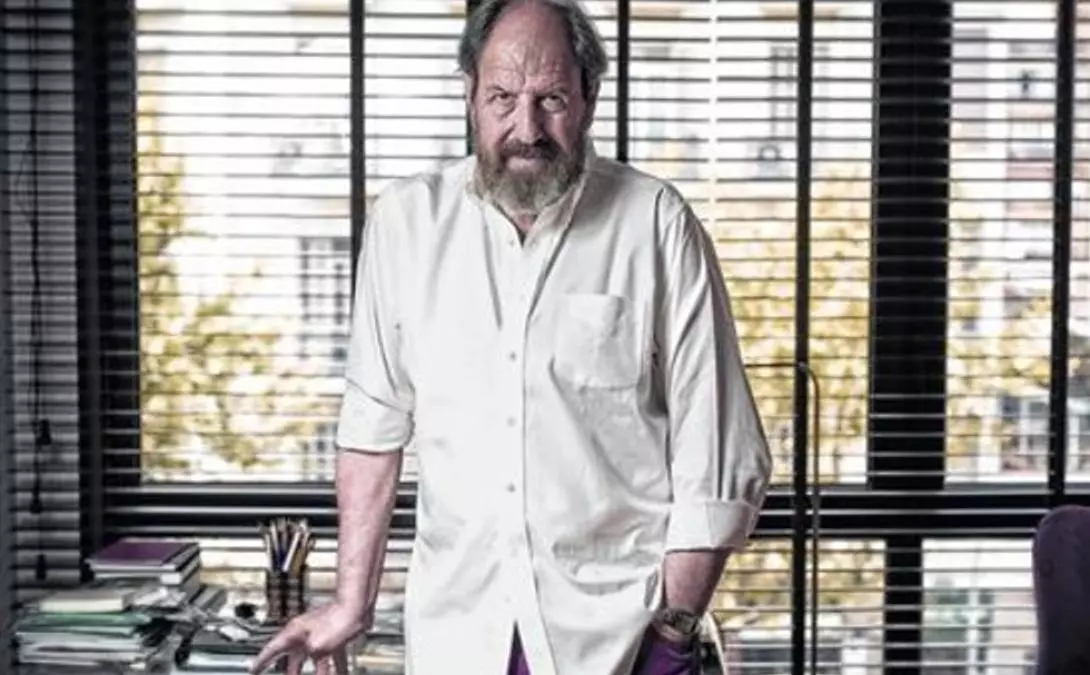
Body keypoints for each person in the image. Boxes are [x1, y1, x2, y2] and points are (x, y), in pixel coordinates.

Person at [249, 0, 772, 673]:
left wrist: (672, 631)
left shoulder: (656, 224)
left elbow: (718, 447)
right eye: (502, 97)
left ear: (589, 98)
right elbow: (372, 430)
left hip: (616, 644)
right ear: (469, 95)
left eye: (551, 99)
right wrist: (352, 603)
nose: (526, 129)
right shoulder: (405, 225)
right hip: (458, 640)